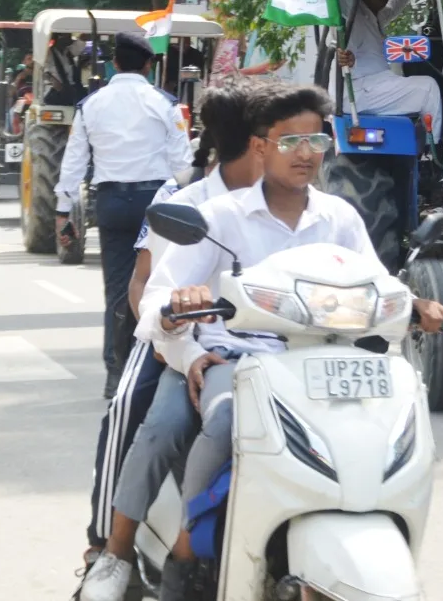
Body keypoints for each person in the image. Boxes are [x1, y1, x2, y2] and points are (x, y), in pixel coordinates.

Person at [135, 81, 443, 600]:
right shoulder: (220, 218)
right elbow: (157, 297)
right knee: (225, 423)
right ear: (260, 146)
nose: (305, 155)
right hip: (239, 362)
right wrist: (178, 308)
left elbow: (377, 283)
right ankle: (190, 548)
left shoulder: (339, 217)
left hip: (323, 364)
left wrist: (413, 305)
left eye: (317, 142)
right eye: (290, 142)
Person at [78, 82, 270, 601]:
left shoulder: (307, 205)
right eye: (283, 136)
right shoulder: (183, 200)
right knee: (144, 418)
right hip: (182, 344)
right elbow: (145, 286)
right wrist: (181, 348)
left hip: (274, 356)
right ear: (255, 142)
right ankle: (110, 551)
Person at [57, 31, 194, 397]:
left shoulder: (91, 105)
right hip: (157, 204)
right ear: (149, 65)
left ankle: (115, 373)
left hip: (111, 203)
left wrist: (62, 211)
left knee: (117, 290)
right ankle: (152, 364)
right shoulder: (165, 103)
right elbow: (183, 163)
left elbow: (73, 162)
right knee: (157, 284)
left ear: (113, 63)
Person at [335, 0, 443, 129]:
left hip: (376, 85)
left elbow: (395, 3)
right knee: (428, 87)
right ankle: (434, 145)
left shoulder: (372, 14)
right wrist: (348, 59)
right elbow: (345, 53)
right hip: (362, 90)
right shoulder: (356, 19)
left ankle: (423, 138)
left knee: (419, 83)